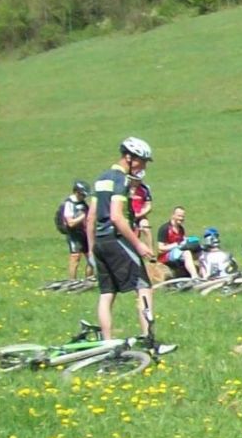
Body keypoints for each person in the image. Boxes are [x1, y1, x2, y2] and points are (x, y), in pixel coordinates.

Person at [87, 137, 163, 344]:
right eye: (142, 161)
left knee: (107, 293)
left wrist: (91, 250)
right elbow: (116, 216)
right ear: (129, 158)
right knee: (143, 286)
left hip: (100, 242)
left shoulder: (101, 179)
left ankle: (107, 343)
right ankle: (149, 339)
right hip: (117, 239)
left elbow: (91, 217)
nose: (143, 166)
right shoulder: (121, 180)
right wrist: (138, 244)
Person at [59, 180, 92, 283]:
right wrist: (83, 216)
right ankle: (72, 281)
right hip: (74, 234)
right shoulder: (69, 203)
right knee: (75, 257)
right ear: (77, 192)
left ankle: (89, 280)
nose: (84, 197)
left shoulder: (83, 203)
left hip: (84, 233)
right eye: (83, 194)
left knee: (91, 257)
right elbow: (70, 223)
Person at [156, 206, 201, 280]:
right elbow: (161, 248)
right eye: (179, 216)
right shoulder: (164, 228)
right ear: (173, 215)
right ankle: (195, 277)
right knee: (186, 253)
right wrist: (177, 244)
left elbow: (182, 242)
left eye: (183, 216)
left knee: (198, 252)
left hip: (178, 252)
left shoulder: (181, 229)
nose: (181, 218)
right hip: (166, 256)